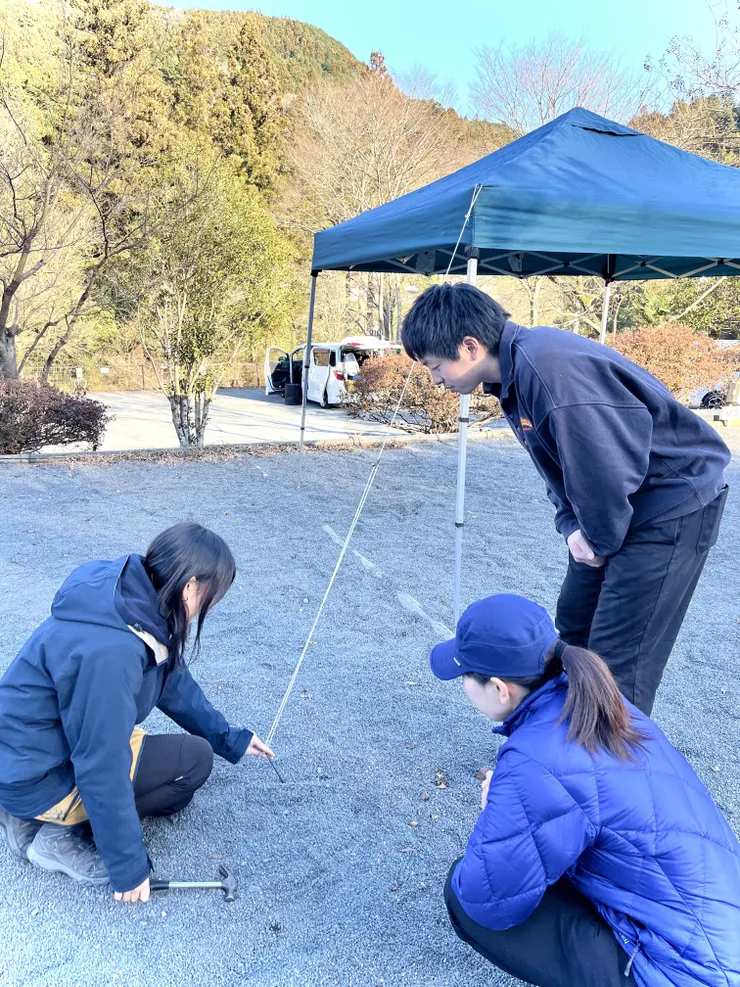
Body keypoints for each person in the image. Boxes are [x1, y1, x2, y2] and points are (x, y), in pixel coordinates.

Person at [402, 283, 730, 715]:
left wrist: (599, 541)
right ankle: (557, 737)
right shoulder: (512, 375)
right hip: (617, 509)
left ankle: (605, 753)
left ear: (470, 346)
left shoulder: (549, 369)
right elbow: (557, 467)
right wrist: (571, 525)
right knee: (574, 627)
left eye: (434, 365)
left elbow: (604, 470)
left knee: (616, 661)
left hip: (671, 503)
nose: (435, 379)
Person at [432, 594, 740, 987]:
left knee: (462, 893)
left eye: (464, 677)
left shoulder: (537, 761)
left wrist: (499, 808)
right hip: (721, 931)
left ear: (499, 688)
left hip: (686, 973)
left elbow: (487, 900)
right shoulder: (596, 699)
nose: (462, 685)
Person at [0, 522, 274, 904]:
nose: (212, 605)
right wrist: (128, 866)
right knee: (189, 770)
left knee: (196, 754)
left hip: (31, 751)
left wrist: (232, 739)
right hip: (38, 774)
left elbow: (174, 683)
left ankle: (26, 813)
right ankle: (52, 833)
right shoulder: (112, 654)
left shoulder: (133, 600)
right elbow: (100, 763)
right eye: (213, 594)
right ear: (191, 587)